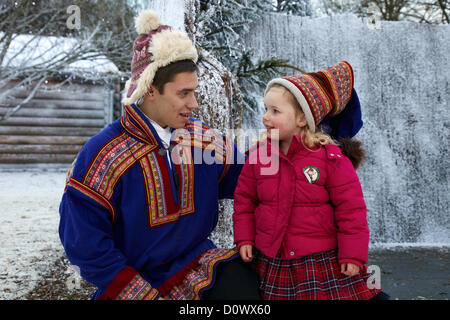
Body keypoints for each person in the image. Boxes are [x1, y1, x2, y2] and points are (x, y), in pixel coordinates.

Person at [59, 9, 260, 300]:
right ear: (150, 89)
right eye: (183, 93)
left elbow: (251, 179)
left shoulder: (202, 139)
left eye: (194, 92)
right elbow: (84, 242)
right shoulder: (102, 155)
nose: (194, 104)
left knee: (248, 294)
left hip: (200, 265)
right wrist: (132, 288)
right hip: (132, 279)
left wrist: (304, 143)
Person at [232, 61, 389, 300]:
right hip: (275, 261)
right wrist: (244, 238)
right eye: (265, 109)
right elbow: (245, 202)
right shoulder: (258, 157)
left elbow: (351, 211)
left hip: (320, 262)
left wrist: (353, 255)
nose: (265, 117)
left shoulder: (330, 158)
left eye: (275, 111)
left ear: (302, 119)